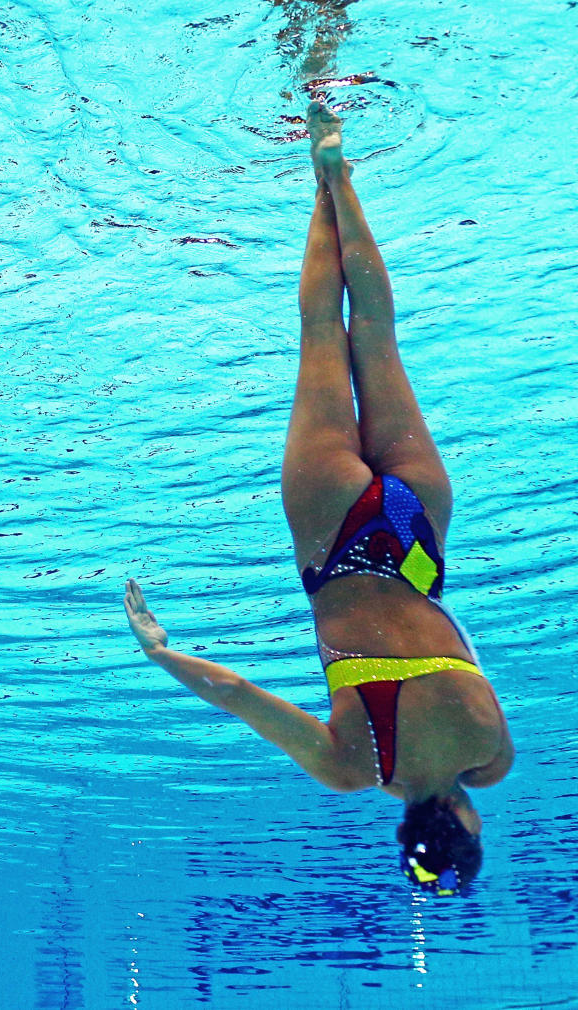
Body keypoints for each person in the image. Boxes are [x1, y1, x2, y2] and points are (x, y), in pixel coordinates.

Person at [124, 98, 513, 895]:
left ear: (467, 826)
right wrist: (161, 652)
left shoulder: (490, 756)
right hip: (333, 538)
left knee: (375, 330)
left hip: (413, 535)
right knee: (319, 333)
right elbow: (236, 694)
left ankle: (343, 178)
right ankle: (317, 174)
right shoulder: (350, 766)